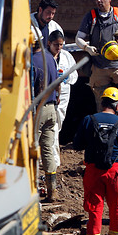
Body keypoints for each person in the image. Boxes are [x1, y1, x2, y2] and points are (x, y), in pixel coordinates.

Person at [73, 87, 118, 235]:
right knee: (117, 206)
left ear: (102, 102)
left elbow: (77, 144)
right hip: (115, 171)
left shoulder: (89, 120)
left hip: (93, 171)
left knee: (94, 208)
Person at [32, 39, 60, 202]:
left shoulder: (31, 62)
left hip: (39, 110)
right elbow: (57, 83)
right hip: (51, 110)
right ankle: (52, 191)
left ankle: (32, 188)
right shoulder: (49, 57)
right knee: (48, 149)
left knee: (32, 149)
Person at [47, 30, 79, 168]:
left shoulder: (66, 56)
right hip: (48, 95)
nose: (59, 48)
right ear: (49, 44)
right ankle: (52, 159)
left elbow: (75, 76)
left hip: (64, 94)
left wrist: (67, 78)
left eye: (61, 45)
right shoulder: (44, 56)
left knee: (58, 123)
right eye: (56, 45)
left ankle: (53, 157)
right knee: (50, 125)